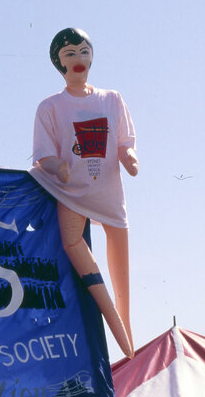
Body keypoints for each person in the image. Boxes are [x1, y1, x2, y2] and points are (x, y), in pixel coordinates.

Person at [29, 28, 137, 358]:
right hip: (71, 192)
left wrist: (128, 156)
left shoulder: (112, 99)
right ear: (58, 63)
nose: (78, 59)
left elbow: (124, 141)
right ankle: (112, 320)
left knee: (120, 253)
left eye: (83, 51)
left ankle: (127, 327)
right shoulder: (50, 107)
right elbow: (43, 155)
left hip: (107, 191)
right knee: (72, 242)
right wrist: (56, 167)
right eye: (70, 54)